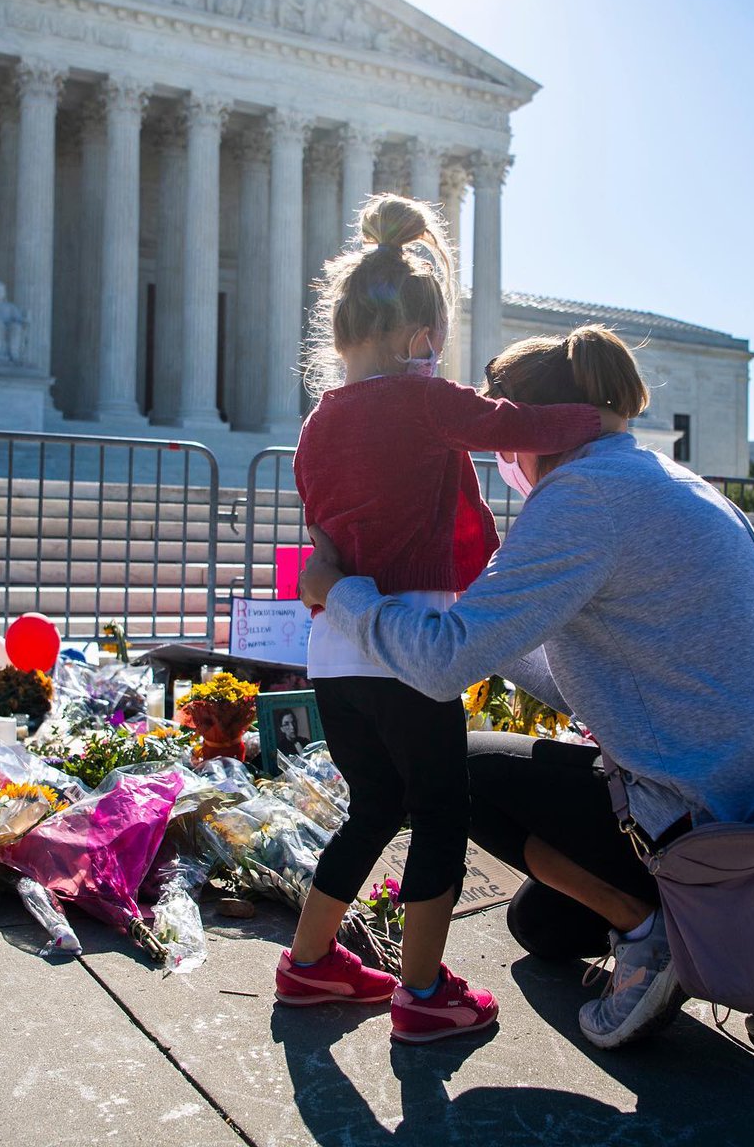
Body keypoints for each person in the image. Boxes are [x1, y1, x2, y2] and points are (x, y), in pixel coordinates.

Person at [296, 324, 754, 1049]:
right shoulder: (668, 482)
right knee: (539, 929)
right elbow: (602, 679)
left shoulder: (583, 498)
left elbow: (440, 666)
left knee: (466, 774)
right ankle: (750, 944)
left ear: (528, 428)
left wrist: (342, 593)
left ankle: (653, 942)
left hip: (696, 826)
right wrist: (487, 628)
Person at [273, 194, 621, 1046]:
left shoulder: (316, 425)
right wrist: (601, 419)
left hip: (335, 650)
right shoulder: (425, 401)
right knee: (439, 808)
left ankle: (309, 962)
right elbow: (514, 424)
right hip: (409, 643)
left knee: (371, 806)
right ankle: (422, 989)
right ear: (421, 336)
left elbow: (320, 534)